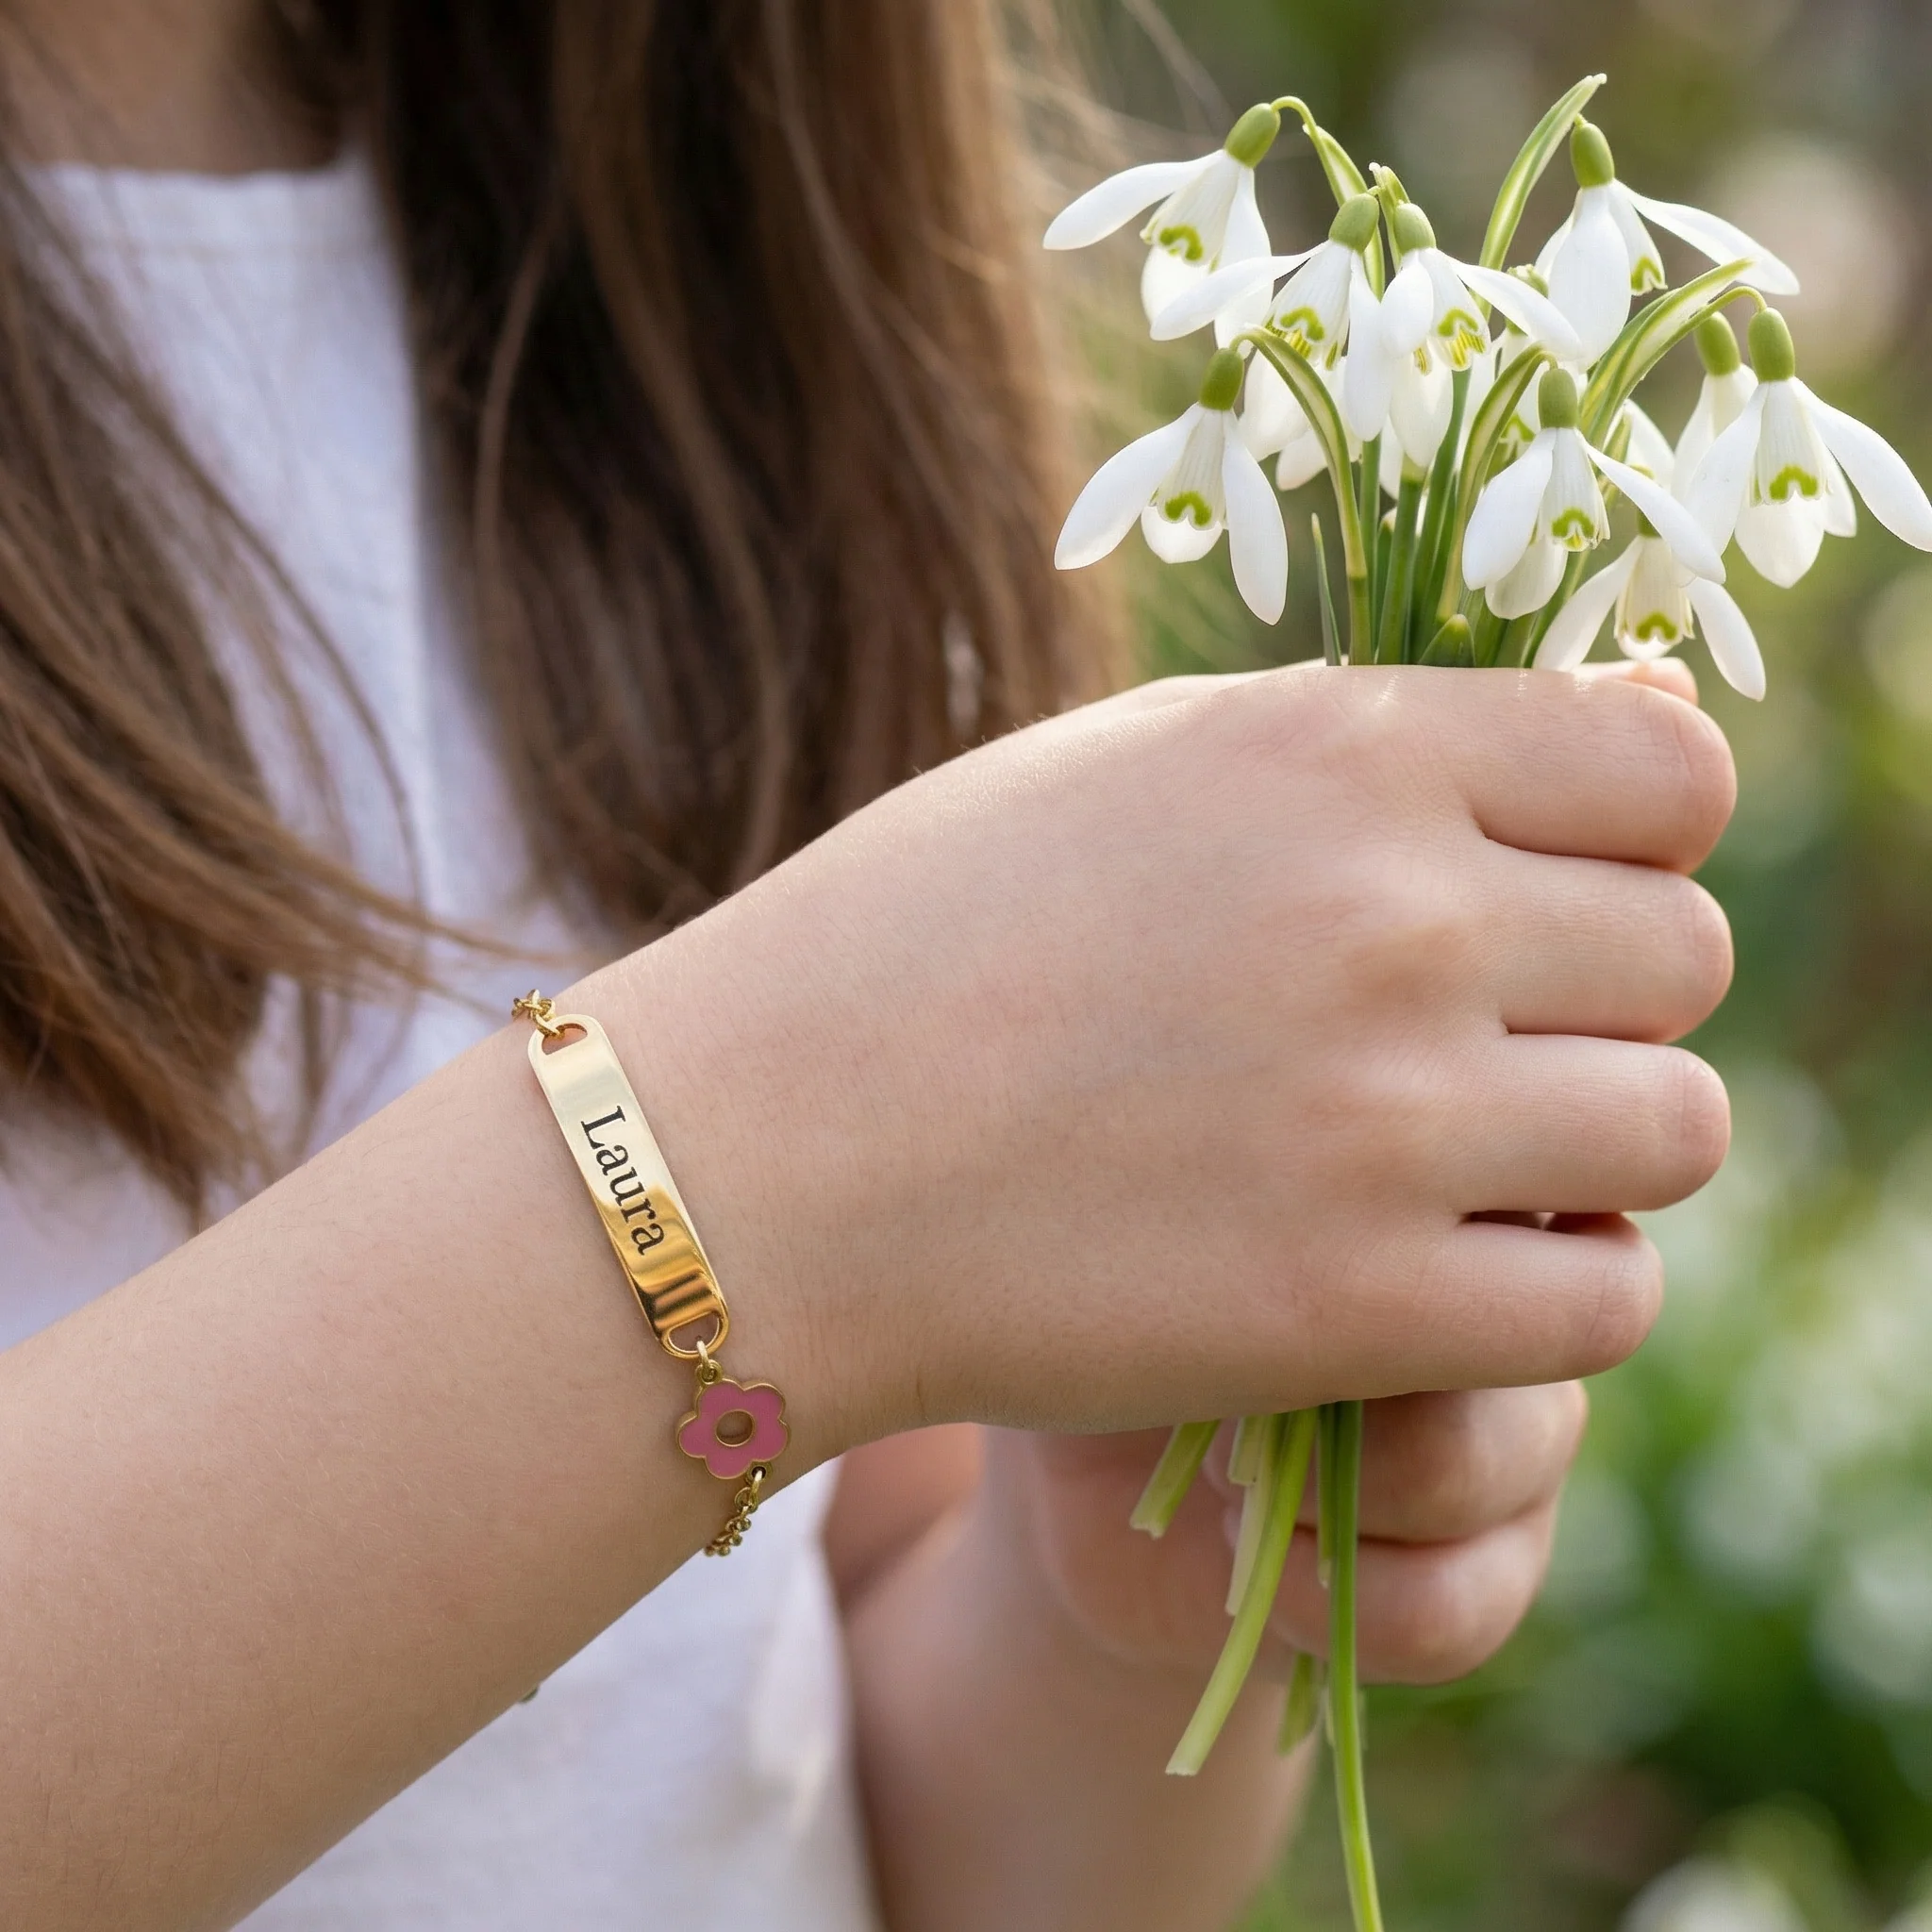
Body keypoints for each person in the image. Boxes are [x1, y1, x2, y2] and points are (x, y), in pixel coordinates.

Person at [0, 2, 1737, 1927]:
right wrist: (770, 1178)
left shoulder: (711, 267)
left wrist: (1105, 1619)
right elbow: (781, 1259)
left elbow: (839, 1770)